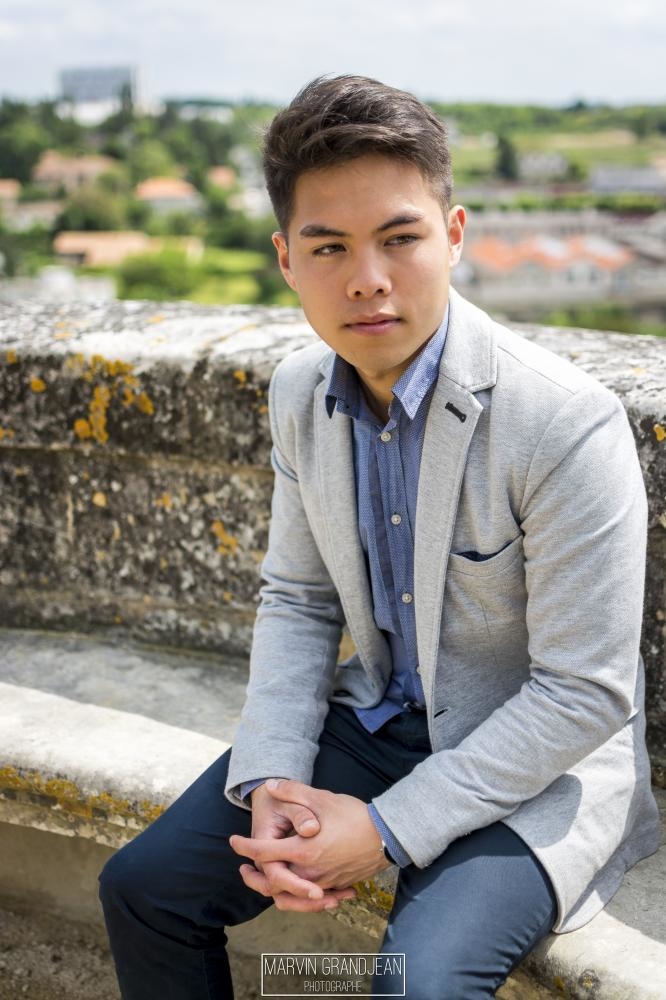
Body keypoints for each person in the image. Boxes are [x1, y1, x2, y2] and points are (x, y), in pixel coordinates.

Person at [99, 75, 660, 999]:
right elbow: (299, 599)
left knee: (415, 984)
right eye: (329, 247)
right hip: (374, 722)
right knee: (144, 889)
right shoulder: (298, 392)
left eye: (400, 238)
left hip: (534, 762)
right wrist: (271, 777)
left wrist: (387, 829)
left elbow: (582, 692)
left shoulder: (564, 420)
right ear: (286, 259)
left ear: (454, 235)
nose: (367, 278)